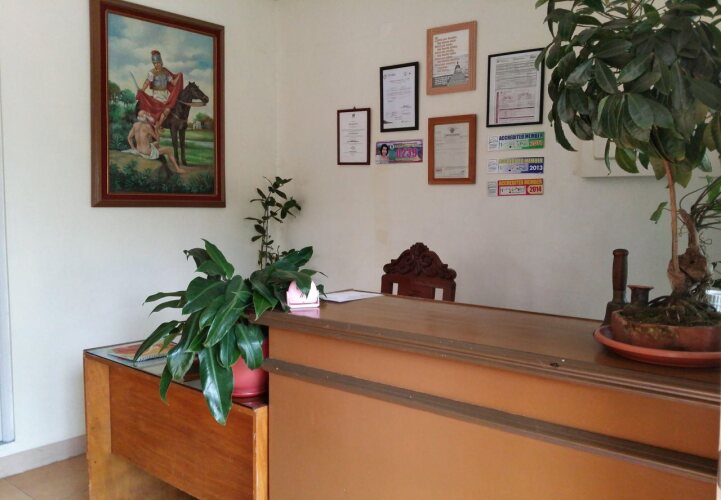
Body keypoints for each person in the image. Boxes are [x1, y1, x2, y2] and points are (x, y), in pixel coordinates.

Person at [136, 50, 183, 133]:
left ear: (161, 62)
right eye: (155, 63)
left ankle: (159, 125)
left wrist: (179, 75)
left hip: (166, 94)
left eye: (158, 63)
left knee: (169, 109)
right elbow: (147, 82)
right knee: (165, 109)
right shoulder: (152, 73)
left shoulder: (166, 72)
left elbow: (173, 83)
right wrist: (142, 89)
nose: (156, 65)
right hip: (157, 95)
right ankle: (158, 126)